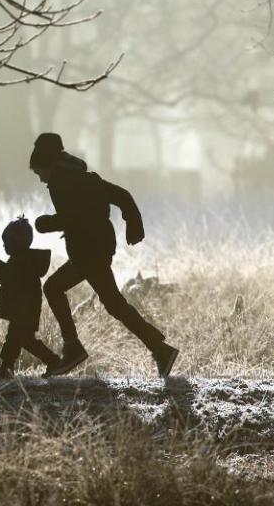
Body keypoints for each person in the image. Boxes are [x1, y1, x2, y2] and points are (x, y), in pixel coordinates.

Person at [29, 133, 179, 378]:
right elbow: (121, 197)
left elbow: (77, 216)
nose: (41, 180)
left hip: (90, 251)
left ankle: (74, 349)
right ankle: (159, 348)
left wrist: (46, 223)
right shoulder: (80, 178)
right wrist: (133, 222)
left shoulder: (66, 182)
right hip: (91, 249)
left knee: (56, 289)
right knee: (113, 304)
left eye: (39, 173)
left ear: (49, 166)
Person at [0, 217, 63, 379]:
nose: (4, 246)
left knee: (19, 339)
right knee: (20, 339)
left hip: (23, 310)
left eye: (7, 242)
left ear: (16, 243)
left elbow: (16, 282)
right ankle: (9, 367)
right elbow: (17, 282)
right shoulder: (23, 260)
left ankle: (51, 361)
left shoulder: (21, 261)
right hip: (24, 310)